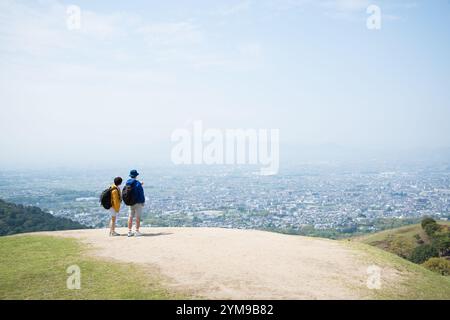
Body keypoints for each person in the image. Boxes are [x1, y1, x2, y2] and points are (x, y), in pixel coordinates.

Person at [126, 169, 145, 237]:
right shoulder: (138, 183)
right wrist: (142, 202)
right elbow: (141, 193)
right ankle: (137, 231)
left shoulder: (127, 183)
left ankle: (129, 231)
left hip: (131, 203)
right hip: (138, 202)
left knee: (130, 217)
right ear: (136, 175)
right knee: (137, 217)